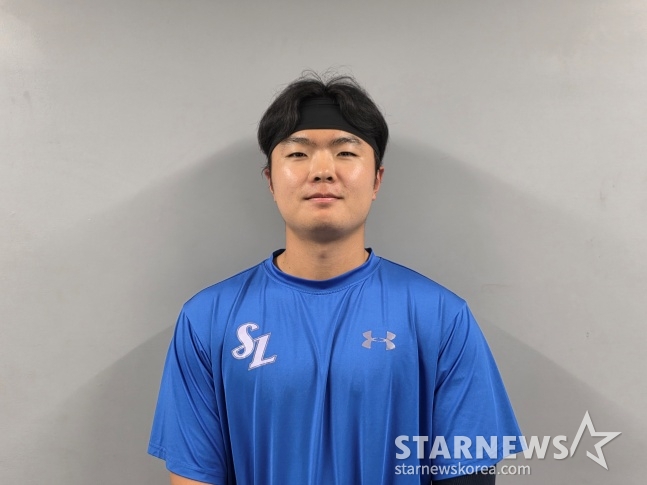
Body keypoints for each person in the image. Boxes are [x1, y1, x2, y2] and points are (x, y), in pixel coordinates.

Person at [148, 73, 523, 485]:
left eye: (345, 152)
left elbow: (468, 474)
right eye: (298, 153)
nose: (322, 170)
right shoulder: (207, 320)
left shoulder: (441, 317)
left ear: (376, 179)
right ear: (270, 180)